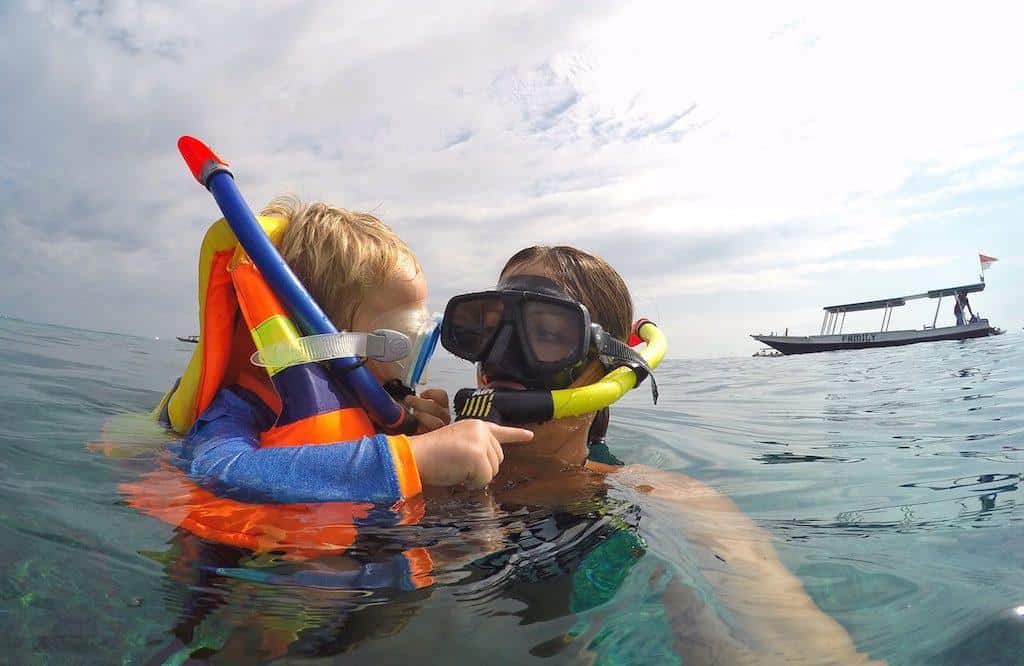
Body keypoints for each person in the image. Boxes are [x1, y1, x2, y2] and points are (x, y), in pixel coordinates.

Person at [436, 245, 882, 664]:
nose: (500, 357)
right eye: (489, 329)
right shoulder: (416, 461)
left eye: (549, 334)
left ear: (609, 370)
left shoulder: (660, 500)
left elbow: (790, 642)